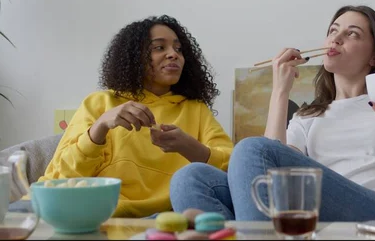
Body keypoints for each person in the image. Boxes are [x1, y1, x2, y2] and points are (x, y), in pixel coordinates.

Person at [169, 5, 375, 222]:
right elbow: (269, 175)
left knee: (251, 148)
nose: (336, 38)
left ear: (374, 56)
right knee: (190, 178)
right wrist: (280, 91)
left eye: (352, 34)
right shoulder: (308, 117)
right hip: (323, 218)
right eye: (333, 30)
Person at [37, 15, 234, 218]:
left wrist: (188, 146)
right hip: (95, 215)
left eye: (178, 49)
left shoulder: (195, 109)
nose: (173, 54)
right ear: (134, 57)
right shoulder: (100, 102)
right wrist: (100, 127)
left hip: (163, 221)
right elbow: (61, 178)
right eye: (159, 47)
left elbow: (234, 168)